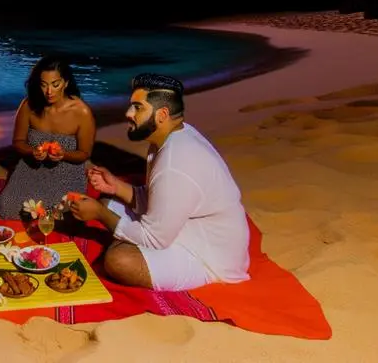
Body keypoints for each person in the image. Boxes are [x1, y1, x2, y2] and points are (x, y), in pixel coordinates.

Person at [68, 73, 250, 292]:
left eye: (137, 108)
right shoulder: (172, 136)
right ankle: (122, 233)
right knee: (108, 202)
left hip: (209, 258)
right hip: (184, 229)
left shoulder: (175, 163)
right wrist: (115, 186)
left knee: (119, 260)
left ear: (162, 114)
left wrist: (99, 214)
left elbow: (154, 238)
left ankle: (122, 241)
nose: (128, 114)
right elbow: (158, 197)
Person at [0, 56, 95, 220]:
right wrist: (32, 151)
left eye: (55, 84)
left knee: (59, 212)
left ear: (66, 83)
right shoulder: (28, 106)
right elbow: (18, 142)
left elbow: (84, 153)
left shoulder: (81, 112)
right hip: (31, 168)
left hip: (67, 173)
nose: (49, 91)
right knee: (7, 207)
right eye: (43, 84)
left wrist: (64, 154)